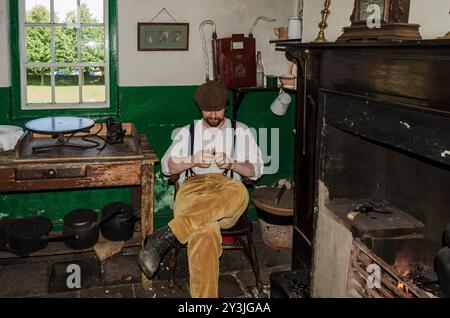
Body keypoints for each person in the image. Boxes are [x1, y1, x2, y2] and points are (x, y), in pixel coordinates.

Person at [137, 80, 263, 298]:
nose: (213, 115)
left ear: (226, 106)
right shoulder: (187, 132)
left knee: (240, 191)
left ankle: (167, 235)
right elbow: (168, 167)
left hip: (227, 194)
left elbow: (255, 170)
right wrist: (192, 160)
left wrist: (232, 164)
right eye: (207, 110)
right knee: (204, 231)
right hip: (193, 190)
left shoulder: (240, 131)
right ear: (199, 108)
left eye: (218, 110)